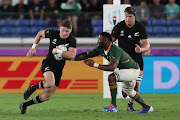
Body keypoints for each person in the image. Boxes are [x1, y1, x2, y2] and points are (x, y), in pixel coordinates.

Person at [74, 32, 153, 114]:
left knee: (112, 77)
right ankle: (147, 107)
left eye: (100, 39)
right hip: (124, 70)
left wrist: (94, 65)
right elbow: (87, 54)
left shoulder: (115, 50)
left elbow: (112, 67)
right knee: (130, 92)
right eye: (98, 38)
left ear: (107, 42)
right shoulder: (100, 49)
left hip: (132, 70)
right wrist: (73, 58)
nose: (98, 41)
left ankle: (113, 106)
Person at [19, 19, 77, 114]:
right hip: (48, 64)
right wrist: (33, 48)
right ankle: (33, 88)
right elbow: (40, 33)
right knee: (50, 83)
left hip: (59, 69)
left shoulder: (72, 40)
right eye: (62, 30)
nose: (64, 33)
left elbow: (72, 55)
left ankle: (24, 105)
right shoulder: (53, 33)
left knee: (47, 96)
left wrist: (58, 51)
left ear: (70, 30)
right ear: (59, 28)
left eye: (67, 31)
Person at [111, 6, 150, 111]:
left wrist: (141, 50)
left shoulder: (140, 27)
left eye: (130, 16)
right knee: (126, 83)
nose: (128, 19)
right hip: (123, 60)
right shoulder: (119, 26)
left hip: (137, 59)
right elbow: (110, 41)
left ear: (134, 16)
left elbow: (147, 45)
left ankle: (130, 103)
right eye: (126, 16)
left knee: (137, 84)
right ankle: (125, 88)